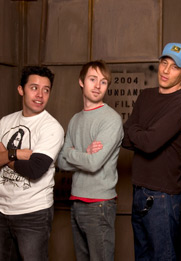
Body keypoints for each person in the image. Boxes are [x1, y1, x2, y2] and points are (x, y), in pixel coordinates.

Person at [0, 66, 64, 260]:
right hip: (0, 209)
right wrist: (17, 153)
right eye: (34, 88)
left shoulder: (52, 127)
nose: (40, 95)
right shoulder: (6, 121)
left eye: (46, 89)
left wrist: (2, 154)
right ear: (21, 89)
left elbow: (34, 169)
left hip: (33, 213)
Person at [122, 42, 181, 260]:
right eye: (164, 62)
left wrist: (138, 132)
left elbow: (150, 142)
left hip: (163, 196)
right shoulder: (145, 96)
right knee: (141, 256)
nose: (165, 70)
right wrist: (140, 133)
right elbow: (125, 137)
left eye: (174, 66)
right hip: (139, 189)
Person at [57, 60, 123, 261]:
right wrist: (84, 154)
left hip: (99, 204)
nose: (97, 86)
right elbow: (60, 161)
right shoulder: (75, 119)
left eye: (103, 82)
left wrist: (73, 153)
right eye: (92, 79)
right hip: (76, 201)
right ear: (81, 82)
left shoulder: (111, 119)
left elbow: (94, 164)